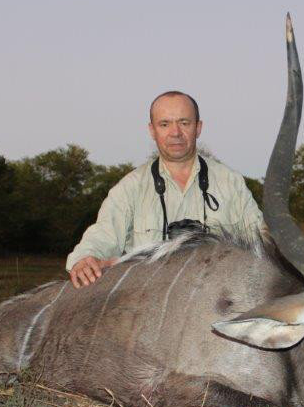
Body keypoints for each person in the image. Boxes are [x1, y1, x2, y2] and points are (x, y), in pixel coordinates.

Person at [67, 90, 264, 288]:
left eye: (184, 122)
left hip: (215, 296)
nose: (175, 132)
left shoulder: (231, 182)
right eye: (164, 124)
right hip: (149, 300)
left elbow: (263, 239)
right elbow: (102, 235)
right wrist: (85, 258)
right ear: (152, 130)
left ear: (198, 128)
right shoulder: (130, 187)